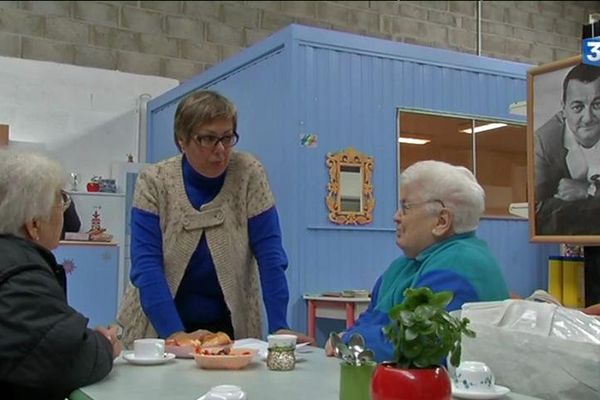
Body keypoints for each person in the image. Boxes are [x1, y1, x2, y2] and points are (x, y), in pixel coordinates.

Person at [117, 90, 312, 346]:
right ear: (182, 141)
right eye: (208, 139)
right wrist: (175, 335)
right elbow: (146, 265)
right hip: (158, 327)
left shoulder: (248, 173)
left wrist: (279, 326)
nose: (220, 150)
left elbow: (270, 255)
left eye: (227, 137)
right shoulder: (154, 181)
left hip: (230, 329)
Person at [325, 160, 509, 362]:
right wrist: (351, 338)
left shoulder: (460, 264)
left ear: (441, 221)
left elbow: (415, 346)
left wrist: (347, 339)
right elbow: (368, 321)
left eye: (406, 207)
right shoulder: (404, 265)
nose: (396, 217)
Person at [0, 150, 122, 400]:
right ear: (34, 225)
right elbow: (68, 356)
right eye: (61, 200)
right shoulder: (21, 275)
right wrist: (105, 345)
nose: (64, 210)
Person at [535, 63, 600, 235]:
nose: (588, 118)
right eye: (578, 107)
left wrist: (588, 190)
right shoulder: (544, 143)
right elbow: (539, 212)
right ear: (563, 108)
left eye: (597, 105)